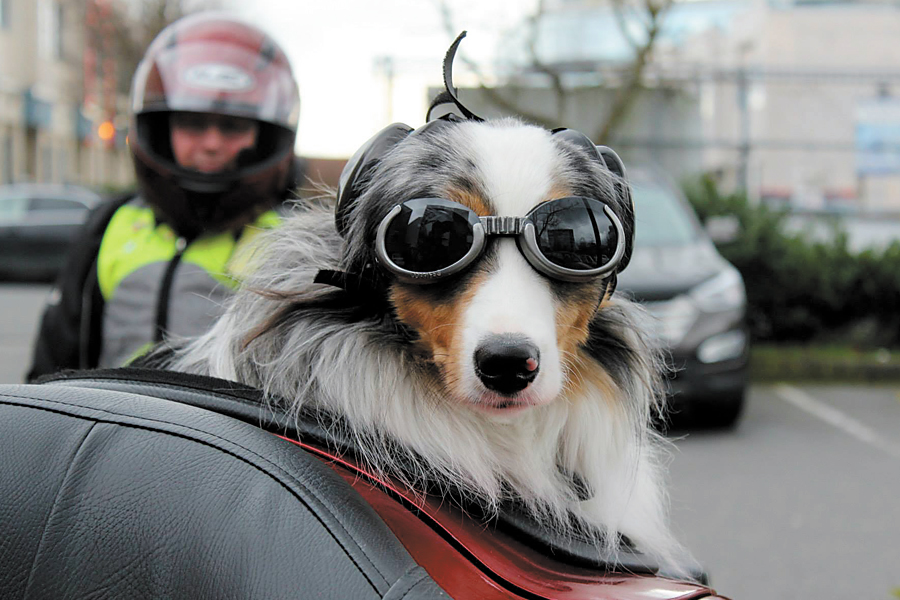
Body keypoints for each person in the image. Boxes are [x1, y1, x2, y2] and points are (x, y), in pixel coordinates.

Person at [27, 12, 301, 381]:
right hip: (108, 431)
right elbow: (53, 365)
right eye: (191, 122)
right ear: (159, 126)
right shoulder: (109, 227)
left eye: (234, 125)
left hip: (220, 437)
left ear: (266, 134)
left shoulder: (289, 245)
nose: (211, 144)